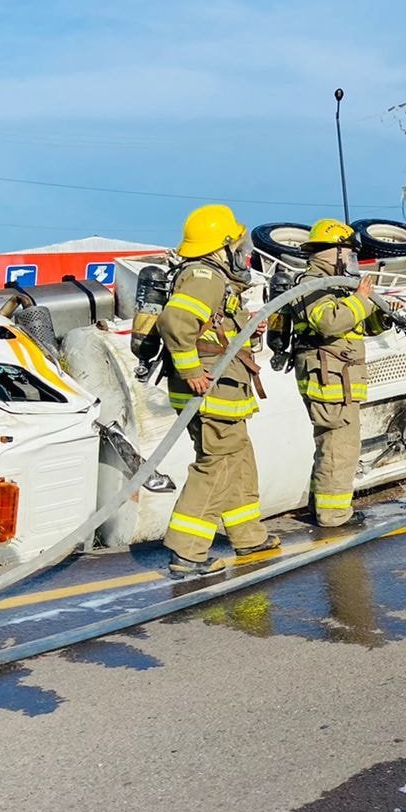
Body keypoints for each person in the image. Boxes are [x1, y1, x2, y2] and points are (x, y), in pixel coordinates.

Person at [159, 204, 279, 575]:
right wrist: (192, 369)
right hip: (211, 386)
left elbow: (214, 323)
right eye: (238, 243)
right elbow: (176, 321)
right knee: (218, 463)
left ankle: (248, 536)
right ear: (221, 245)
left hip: (222, 384)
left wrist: (248, 326)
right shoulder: (205, 275)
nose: (243, 251)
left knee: (238, 457)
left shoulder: (212, 278)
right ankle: (187, 551)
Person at [292, 218, 406, 528]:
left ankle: (321, 509)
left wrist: (382, 312)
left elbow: (359, 325)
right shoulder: (311, 283)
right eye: (349, 254)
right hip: (328, 380)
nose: (352, 261)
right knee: (340, 449)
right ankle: (334, 516)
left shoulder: (338, 285)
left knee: (334, 447)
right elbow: (329, 322)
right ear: (334, 253)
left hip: (341, 379)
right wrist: (361, 300)